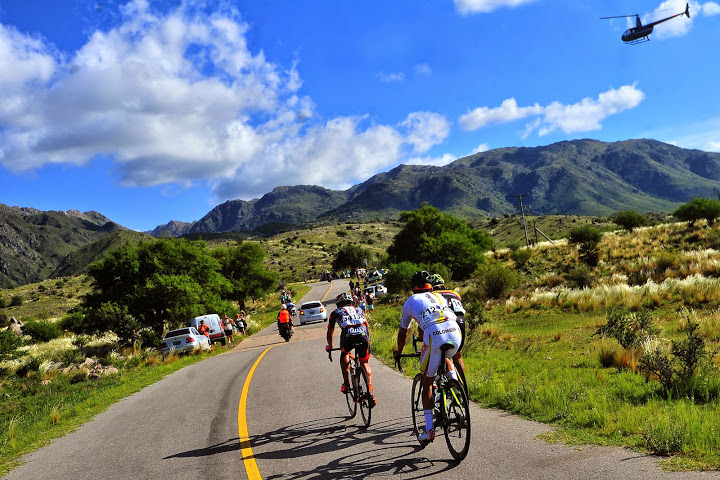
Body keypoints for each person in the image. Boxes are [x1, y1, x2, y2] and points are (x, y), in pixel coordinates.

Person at [393, 271, 460, 445]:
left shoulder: (410, 302)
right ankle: (453, 379)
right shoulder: (438, 297)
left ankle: (429, 431)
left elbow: (403, 332)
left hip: (435, 334)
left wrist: (398, 351)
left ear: (413, 287)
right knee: (447, 356)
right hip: (455, 332)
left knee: (427, 382)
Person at [325, 292, 377, 406]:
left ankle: (347, 384)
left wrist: (330, 345)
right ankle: (370, 391)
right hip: (363, 335)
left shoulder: (335, 313)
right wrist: (367, 340)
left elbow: (330, 331)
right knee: (365, 363)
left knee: (344, 354)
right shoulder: (359, 309)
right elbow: (366, 325)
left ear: (338, 304)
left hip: (348, 336)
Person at [429, 273, 467, 384]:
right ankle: (461, 386)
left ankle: (448, 381)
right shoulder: (454, 293)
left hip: (447, 323)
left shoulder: (431, 296)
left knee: (441, 353)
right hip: (460, 322)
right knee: (458, 356)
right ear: (443, 286)